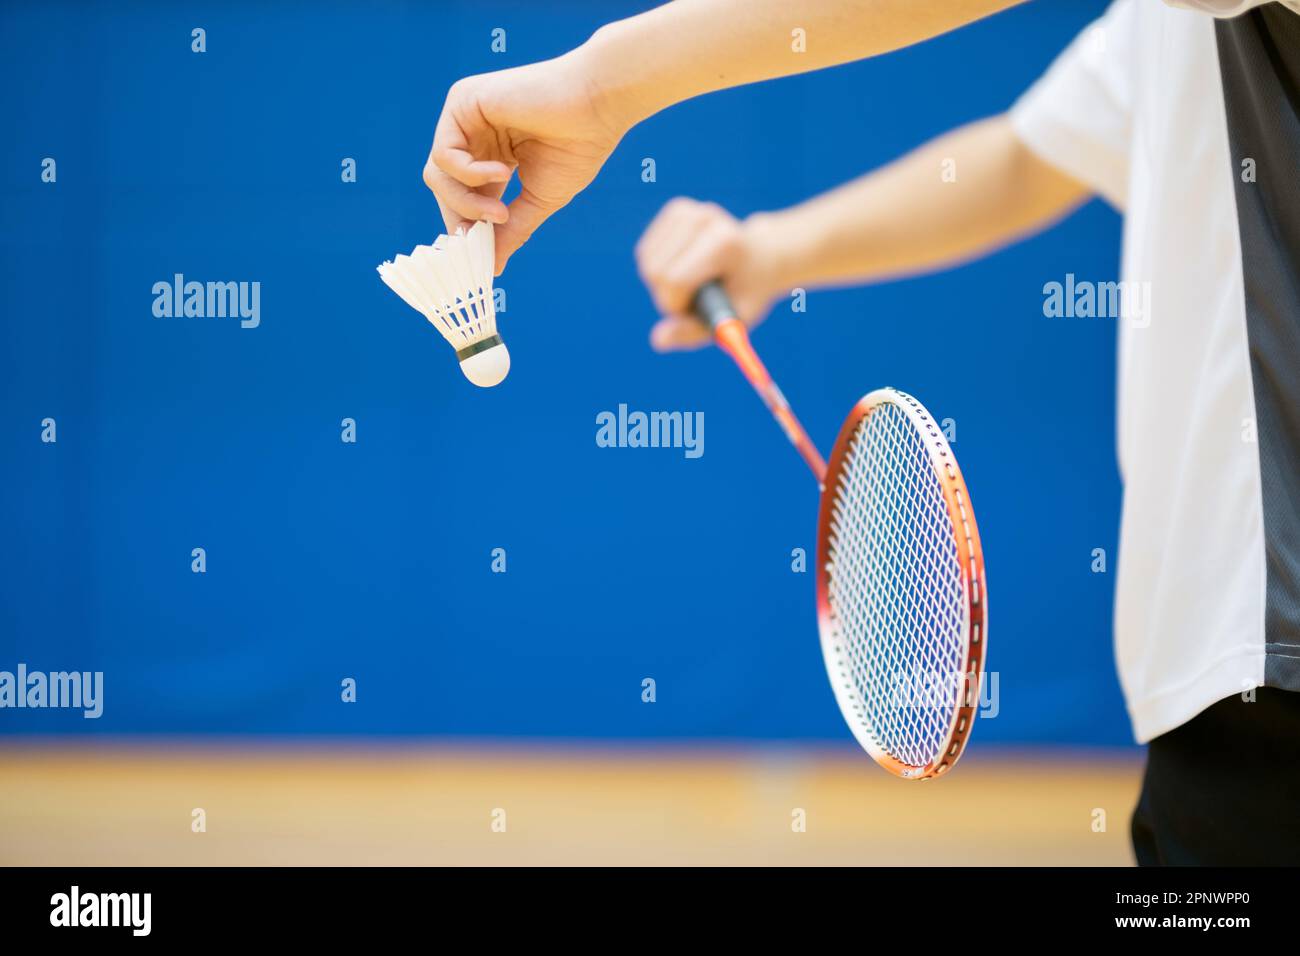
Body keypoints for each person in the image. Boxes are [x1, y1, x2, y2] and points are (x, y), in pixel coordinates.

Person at [425, 0, 1300, 865]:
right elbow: (1033, 154)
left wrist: (601, 83)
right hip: (1234, 696)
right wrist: (772, 251)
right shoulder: (1172, 26)